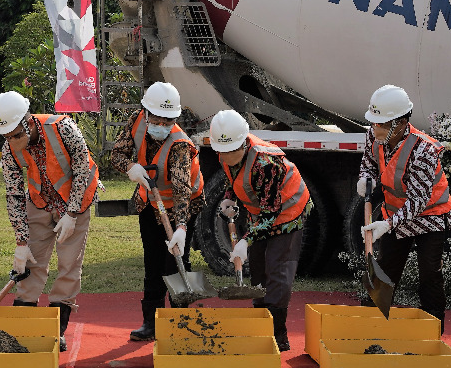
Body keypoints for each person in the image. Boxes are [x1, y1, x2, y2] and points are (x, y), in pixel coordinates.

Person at [0, 90, 99, 350]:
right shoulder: (9, 149)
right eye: (7, 137)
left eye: (16, 135)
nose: (12, 142)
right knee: (31, 263)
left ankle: (56, 329)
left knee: (69, 265)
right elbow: (14, 193)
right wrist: (21, 241)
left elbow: (82, 168)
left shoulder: (63, 128)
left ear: (28, 122)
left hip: (75, 201)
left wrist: (71, 213)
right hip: (40, 202)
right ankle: (25, 323)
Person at [209, 109, 312, 351]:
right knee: (258, 267)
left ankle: (278, 336)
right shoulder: (225, 150)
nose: (227, 156)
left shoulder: (266, 164)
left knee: (278, 270)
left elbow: (271, 213)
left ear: (243, 142)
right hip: (261, 213)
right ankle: (261, 322)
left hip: (287, 213)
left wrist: (244, 241)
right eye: (223, 152)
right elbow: (234, 176)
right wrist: (229, 197)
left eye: (232, 151)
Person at [108, 82, 203, 341]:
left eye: (168, 121)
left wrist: (181, 227)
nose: (161, 125)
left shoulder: (180, 145)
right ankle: (150, 322)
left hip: (183, 207)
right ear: (146, 112)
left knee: (175, 263)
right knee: (153, 262)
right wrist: (130, 167)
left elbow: (182, 190)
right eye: (157, 119)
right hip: (150, 202)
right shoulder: (136, 121)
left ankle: (182, 323)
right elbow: (116, 154)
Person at [358, 85, 451, 329]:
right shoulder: (374, 135)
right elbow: (369, 163)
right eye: (373, 123)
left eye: (381, 124)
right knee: (385, 269)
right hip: (394, 212)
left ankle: (433, 328)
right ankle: (373, 326)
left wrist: (387, 224)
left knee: (430, 273)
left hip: (430, 216)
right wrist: (365, 178)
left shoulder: (424, 150)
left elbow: (418, 201)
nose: (375, 129)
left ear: (400, 123)